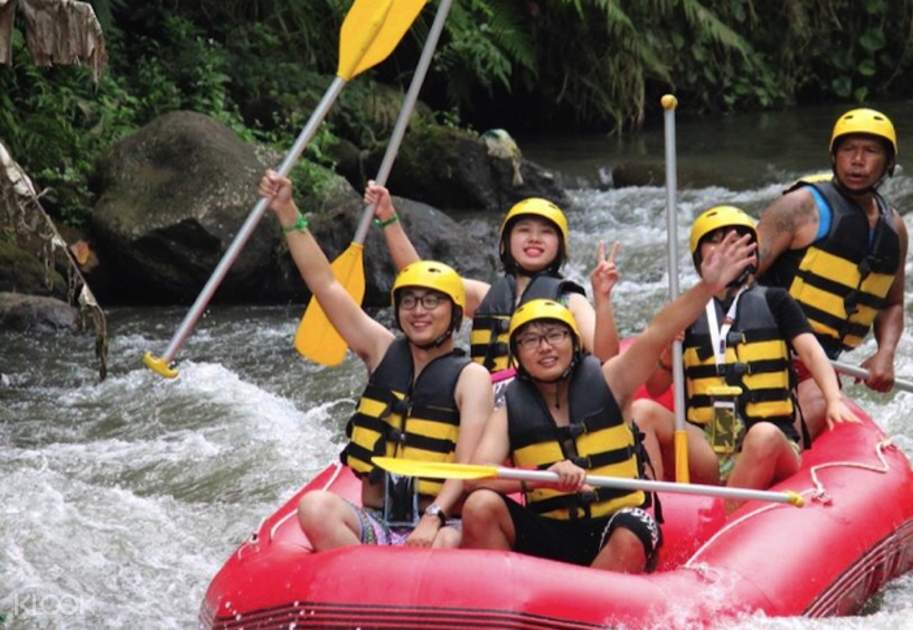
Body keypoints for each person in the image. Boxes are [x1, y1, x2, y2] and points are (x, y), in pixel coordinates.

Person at [459, 231, 758, 573]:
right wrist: (543, 477)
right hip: (552, 532)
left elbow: (658, 332)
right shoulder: (510, 409)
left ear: (574, 343)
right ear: (517, 354)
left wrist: (707, 287)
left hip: (613, 524)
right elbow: (476, 478)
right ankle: (515, 598)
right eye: (530, 340)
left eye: (555, 335)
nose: (545, 347)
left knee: (633, 528)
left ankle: (581, 597)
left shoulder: (611, 381)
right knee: (480, 505)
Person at [259, 170, 493, 551]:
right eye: (409, 301)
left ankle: (389, 572)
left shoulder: (472, 377)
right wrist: (287, 211)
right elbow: (325, 285)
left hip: (440, 523)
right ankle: (365, 573)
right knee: (315, 507)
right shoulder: (381, 349)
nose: (418, 311)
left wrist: (433, 519)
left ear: (454, 313)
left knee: (447, 543)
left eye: (431, 302)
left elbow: (465, 466)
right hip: (377, 522)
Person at [631, 206, 855, 500]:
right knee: (642, 411)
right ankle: (652, 508)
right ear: (700, 258)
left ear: (752, 253)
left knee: (763, 435)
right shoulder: (686, 310)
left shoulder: (776, 301)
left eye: (737, 241)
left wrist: (833, 399)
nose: (727, 248)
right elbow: (655, 387)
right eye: (716, 241)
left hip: (772, 443)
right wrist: (666, 354)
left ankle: (728, 514)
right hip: (710, 445)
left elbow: (812, 354)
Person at [756, 108, 909, 441]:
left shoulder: (894, 228)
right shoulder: (799, 207)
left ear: (887, 164)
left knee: (817, 410)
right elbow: (736, 277)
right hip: (764, 348)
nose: (857, 161)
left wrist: (885, 354)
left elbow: (892, 304)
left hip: (820, 364)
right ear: (834, 156)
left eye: (870, 151)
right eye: (848, 149)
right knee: (798, 419)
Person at [365, 185, 620, 378]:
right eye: (524, 230)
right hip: (486, 403)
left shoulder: (570, 301)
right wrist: (388, 217)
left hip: (542, 407)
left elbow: (607, 359)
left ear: (559, 246)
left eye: (546, 232)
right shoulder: (484, 296)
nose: (534, 238)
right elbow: (419, 275)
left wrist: (603, 299)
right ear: (506, 243)